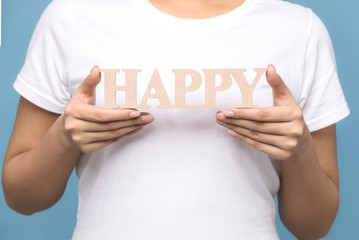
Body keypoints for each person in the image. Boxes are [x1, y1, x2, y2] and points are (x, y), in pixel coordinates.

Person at [2, 0, 350, 239]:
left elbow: (314, 227)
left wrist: (300, 147)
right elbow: (21, 197)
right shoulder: (72, 16)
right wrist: (64, 138)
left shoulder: (298, 29)